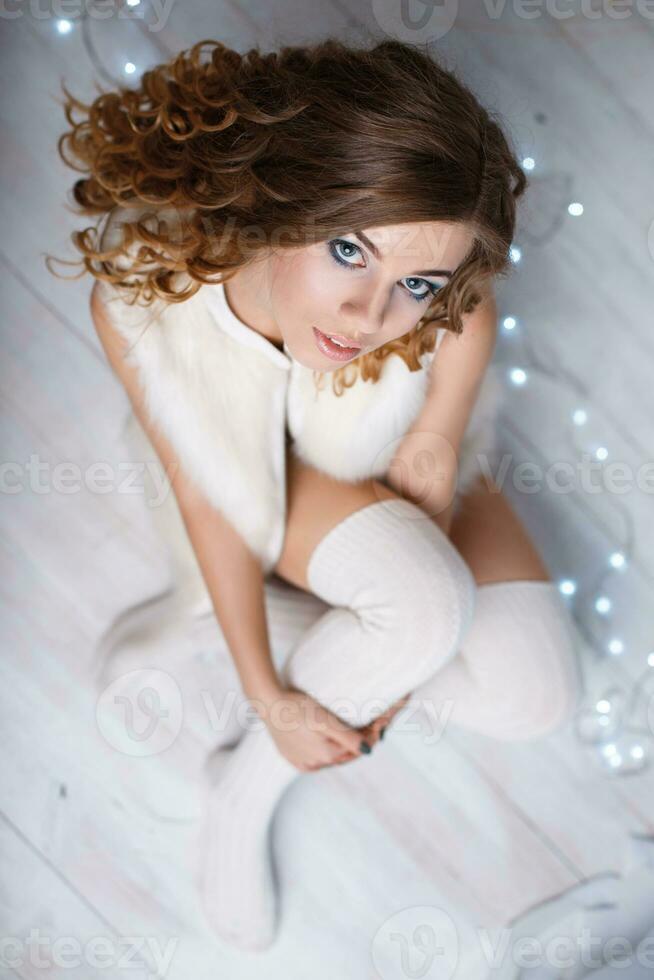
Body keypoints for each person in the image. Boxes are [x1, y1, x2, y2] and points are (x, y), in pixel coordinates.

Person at [52, 36, 583, 951]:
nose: (369, 319)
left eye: (411, 282)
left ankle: (345, 638)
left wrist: (437, 438)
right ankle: (244, 792)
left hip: (383, 448)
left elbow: (472, 308)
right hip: (262, 480)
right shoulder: (142, 285)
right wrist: (267, 694)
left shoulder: (427, 301)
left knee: (537, 698)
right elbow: (207, 494)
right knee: (423, 607)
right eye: (348, 251)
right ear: (282, 195)